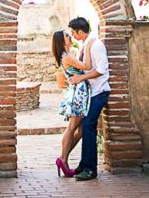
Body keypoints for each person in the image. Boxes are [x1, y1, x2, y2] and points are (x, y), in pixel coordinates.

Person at [68, 17, 111, 181]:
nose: (72, 36)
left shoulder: (96, 45)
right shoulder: (87, 44)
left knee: (88, 126)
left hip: (100, 92)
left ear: (80, 31)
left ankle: (90, 169)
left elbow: (102, 69)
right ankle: (83, 164)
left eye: (73, 32)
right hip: (92, 92)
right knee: (85, 127)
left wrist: (81, 78)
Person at [51, 29, 95, 177]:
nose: (70, 37)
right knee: (72, 127)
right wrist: (88, 47)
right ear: (62, 41)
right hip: (78, 92)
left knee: (81, 130)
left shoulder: (68, 55)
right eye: (67, 36)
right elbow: (87, 66)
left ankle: (63, 158)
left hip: (80, 90)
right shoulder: (67, 56)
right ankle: (63, 159)